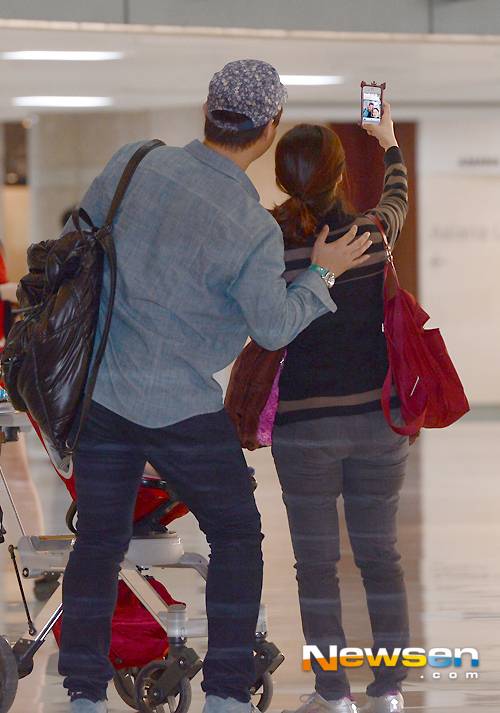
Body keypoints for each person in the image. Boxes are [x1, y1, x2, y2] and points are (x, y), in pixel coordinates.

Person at [58, 59, 373, 713]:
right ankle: (226, 693)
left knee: (99, 540)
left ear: (207, 110)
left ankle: (84, 695)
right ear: (270, 127)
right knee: (234, 532)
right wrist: (321, 272)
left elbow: (73, 248)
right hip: (181, 407)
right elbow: (274, 326)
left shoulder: (133, 163)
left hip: (103, 393)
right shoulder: (250, 227)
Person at [270, 103, 410, 713]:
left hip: (304, 429)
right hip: (378, 423)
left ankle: (333, 693)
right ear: (339, 173)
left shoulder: (269, 249)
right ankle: (390, 689)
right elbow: (397, 198)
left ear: (283, 178)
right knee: (381, 557)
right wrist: (389, 142)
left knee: (317, 566)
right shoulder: (371, 236)